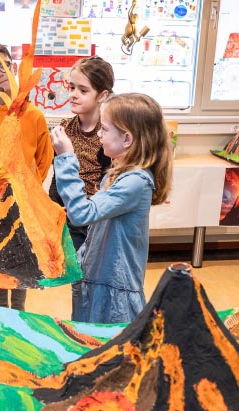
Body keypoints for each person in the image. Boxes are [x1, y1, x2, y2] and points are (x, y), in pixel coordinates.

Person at [51, 93, 173, 324]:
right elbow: (96, 227)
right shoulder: (117, 175)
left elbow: (81, 214)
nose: (99, 134)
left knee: (114, 351)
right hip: (96, 279)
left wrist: (67, 158)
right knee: (91, 344)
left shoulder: (135, 182)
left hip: (114, 288)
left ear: (127, 139)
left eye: (104, 130)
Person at [0, 42, 53, 339]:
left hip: (23, 201)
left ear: (14, 68)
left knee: (20, 261)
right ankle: (1, 315)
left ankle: (18, 316)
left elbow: (44, 158)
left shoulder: (34, 115)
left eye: (2, 66)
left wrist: (27, 191)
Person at [48, 56, 114, 251]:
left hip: (97, 218)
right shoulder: (64, 129)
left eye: (83, 90)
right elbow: (58, 176)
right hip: (69, 219)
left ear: (102, 95)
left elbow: (110, 182)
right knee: (75, 272)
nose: (74, 95)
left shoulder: (110, 132)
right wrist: (53, 209)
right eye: (71, 88)